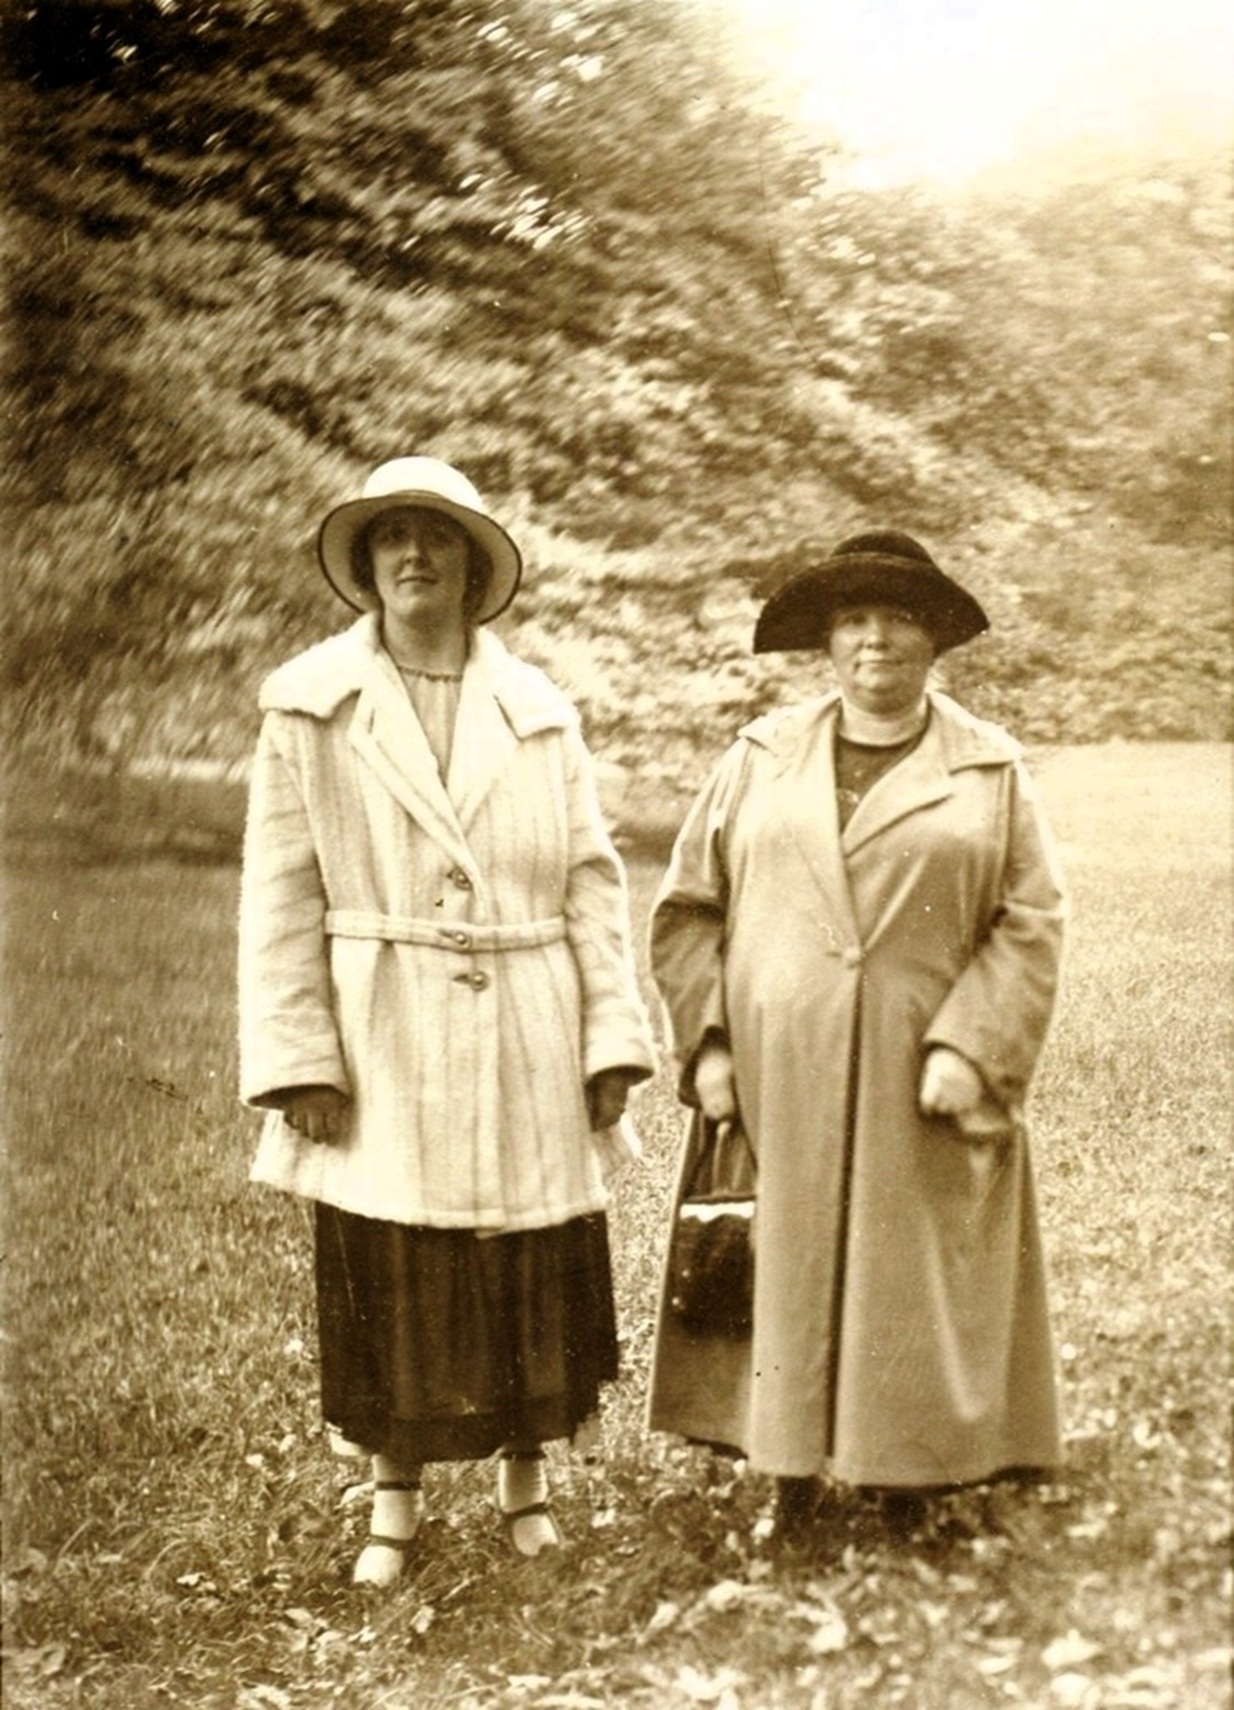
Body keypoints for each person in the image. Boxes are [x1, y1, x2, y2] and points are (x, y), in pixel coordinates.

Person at [238, 456, 655, 1585]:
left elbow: (590, 882)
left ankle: (527, 1487)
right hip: (384, 1026)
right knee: (391, 1260)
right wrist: (299, 1056)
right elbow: (279, 893)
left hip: (528, 1015)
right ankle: (394, 1501)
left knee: (530, 1258)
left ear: (474, 568)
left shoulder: (539, 712)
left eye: (437, 538)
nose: (414, 555)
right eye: (391, 539)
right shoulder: (308, 706)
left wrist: (610, 1040)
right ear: (366, 566)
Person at [646, 530, 1066, 1542]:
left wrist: (970, 1047)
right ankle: (786, 1474)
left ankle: (910, 1476)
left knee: (907, 1270)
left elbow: (1031, 919)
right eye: (854, 619)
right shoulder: (758, 757)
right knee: (782, 1265)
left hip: (918, 1072)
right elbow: (688, 911)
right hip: (774, 1072)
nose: (876, 638)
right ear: (827, 642)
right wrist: (710, 1045)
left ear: (936, 639)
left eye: (900, 618)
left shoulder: (989, 767)